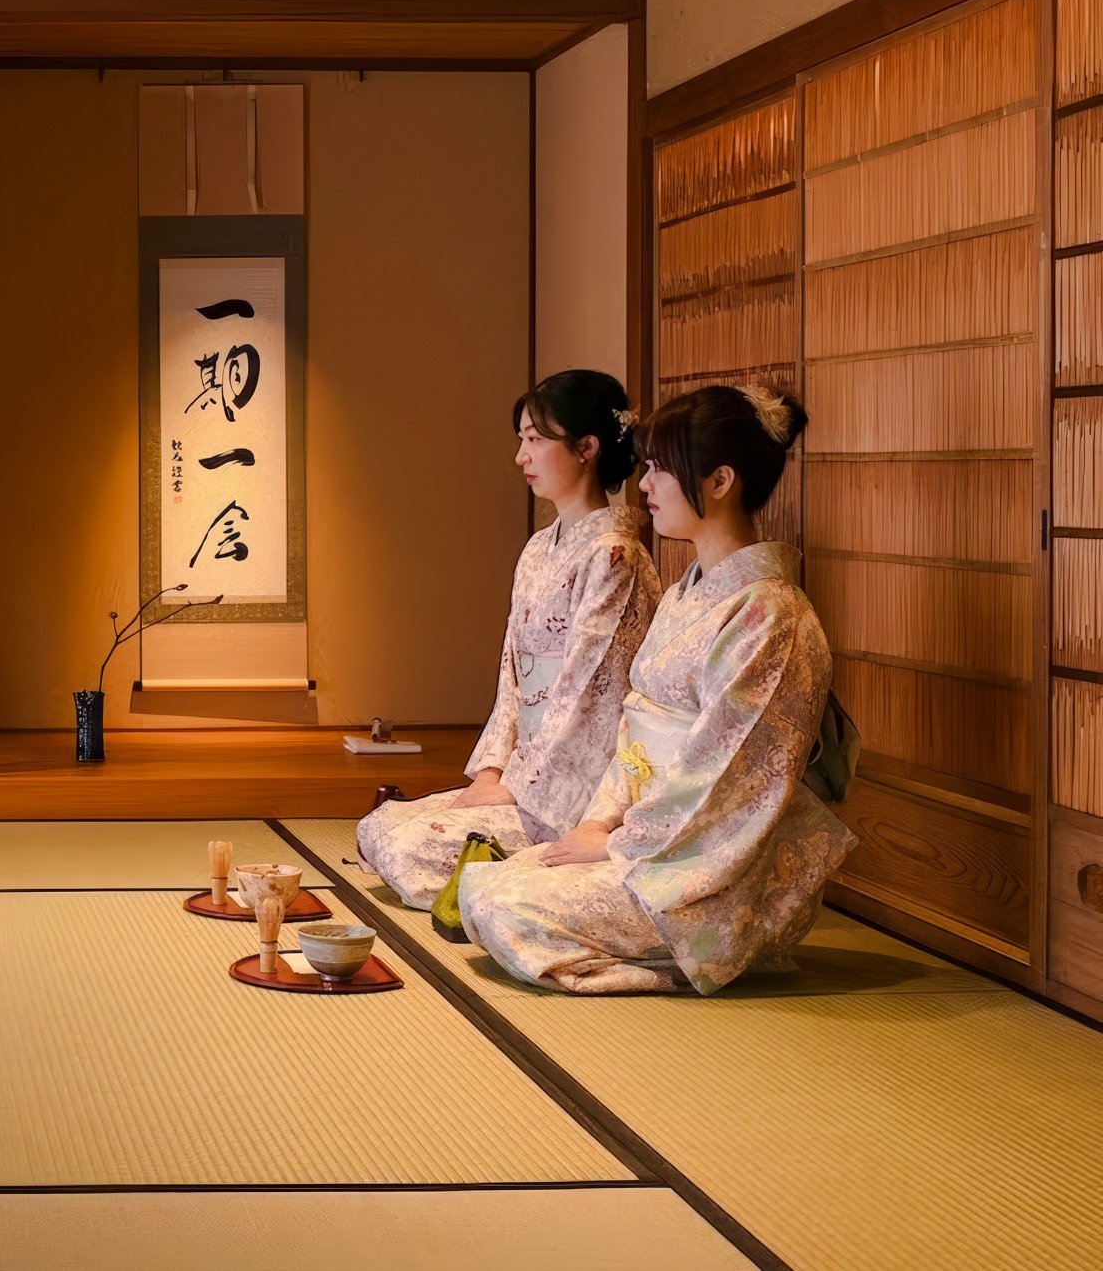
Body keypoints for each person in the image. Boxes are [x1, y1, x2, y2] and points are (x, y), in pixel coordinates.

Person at [456, 385, 856, 995]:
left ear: (720, 481)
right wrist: (597, 824)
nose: (643, 485)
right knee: (481, 888)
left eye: (661, 469)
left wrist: (621, 841)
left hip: (696, 871)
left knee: (503, 904)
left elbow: (722, 775)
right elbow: (632, 725)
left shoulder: (771, 615)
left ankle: (699, 955)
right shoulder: (685, 594)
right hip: (638, 832)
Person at [356, 370, 661, 909]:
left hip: (573, 785)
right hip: (525, 769)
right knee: (377, 829)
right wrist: (494, 770)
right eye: (521, 439)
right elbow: (513, 676)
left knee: (401, 845)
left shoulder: (615, 557)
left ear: (587, 447)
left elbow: (589, 696)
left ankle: (523, 872)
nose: (521, 455)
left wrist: (520, 785)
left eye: (536, 440)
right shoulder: (539, 548)